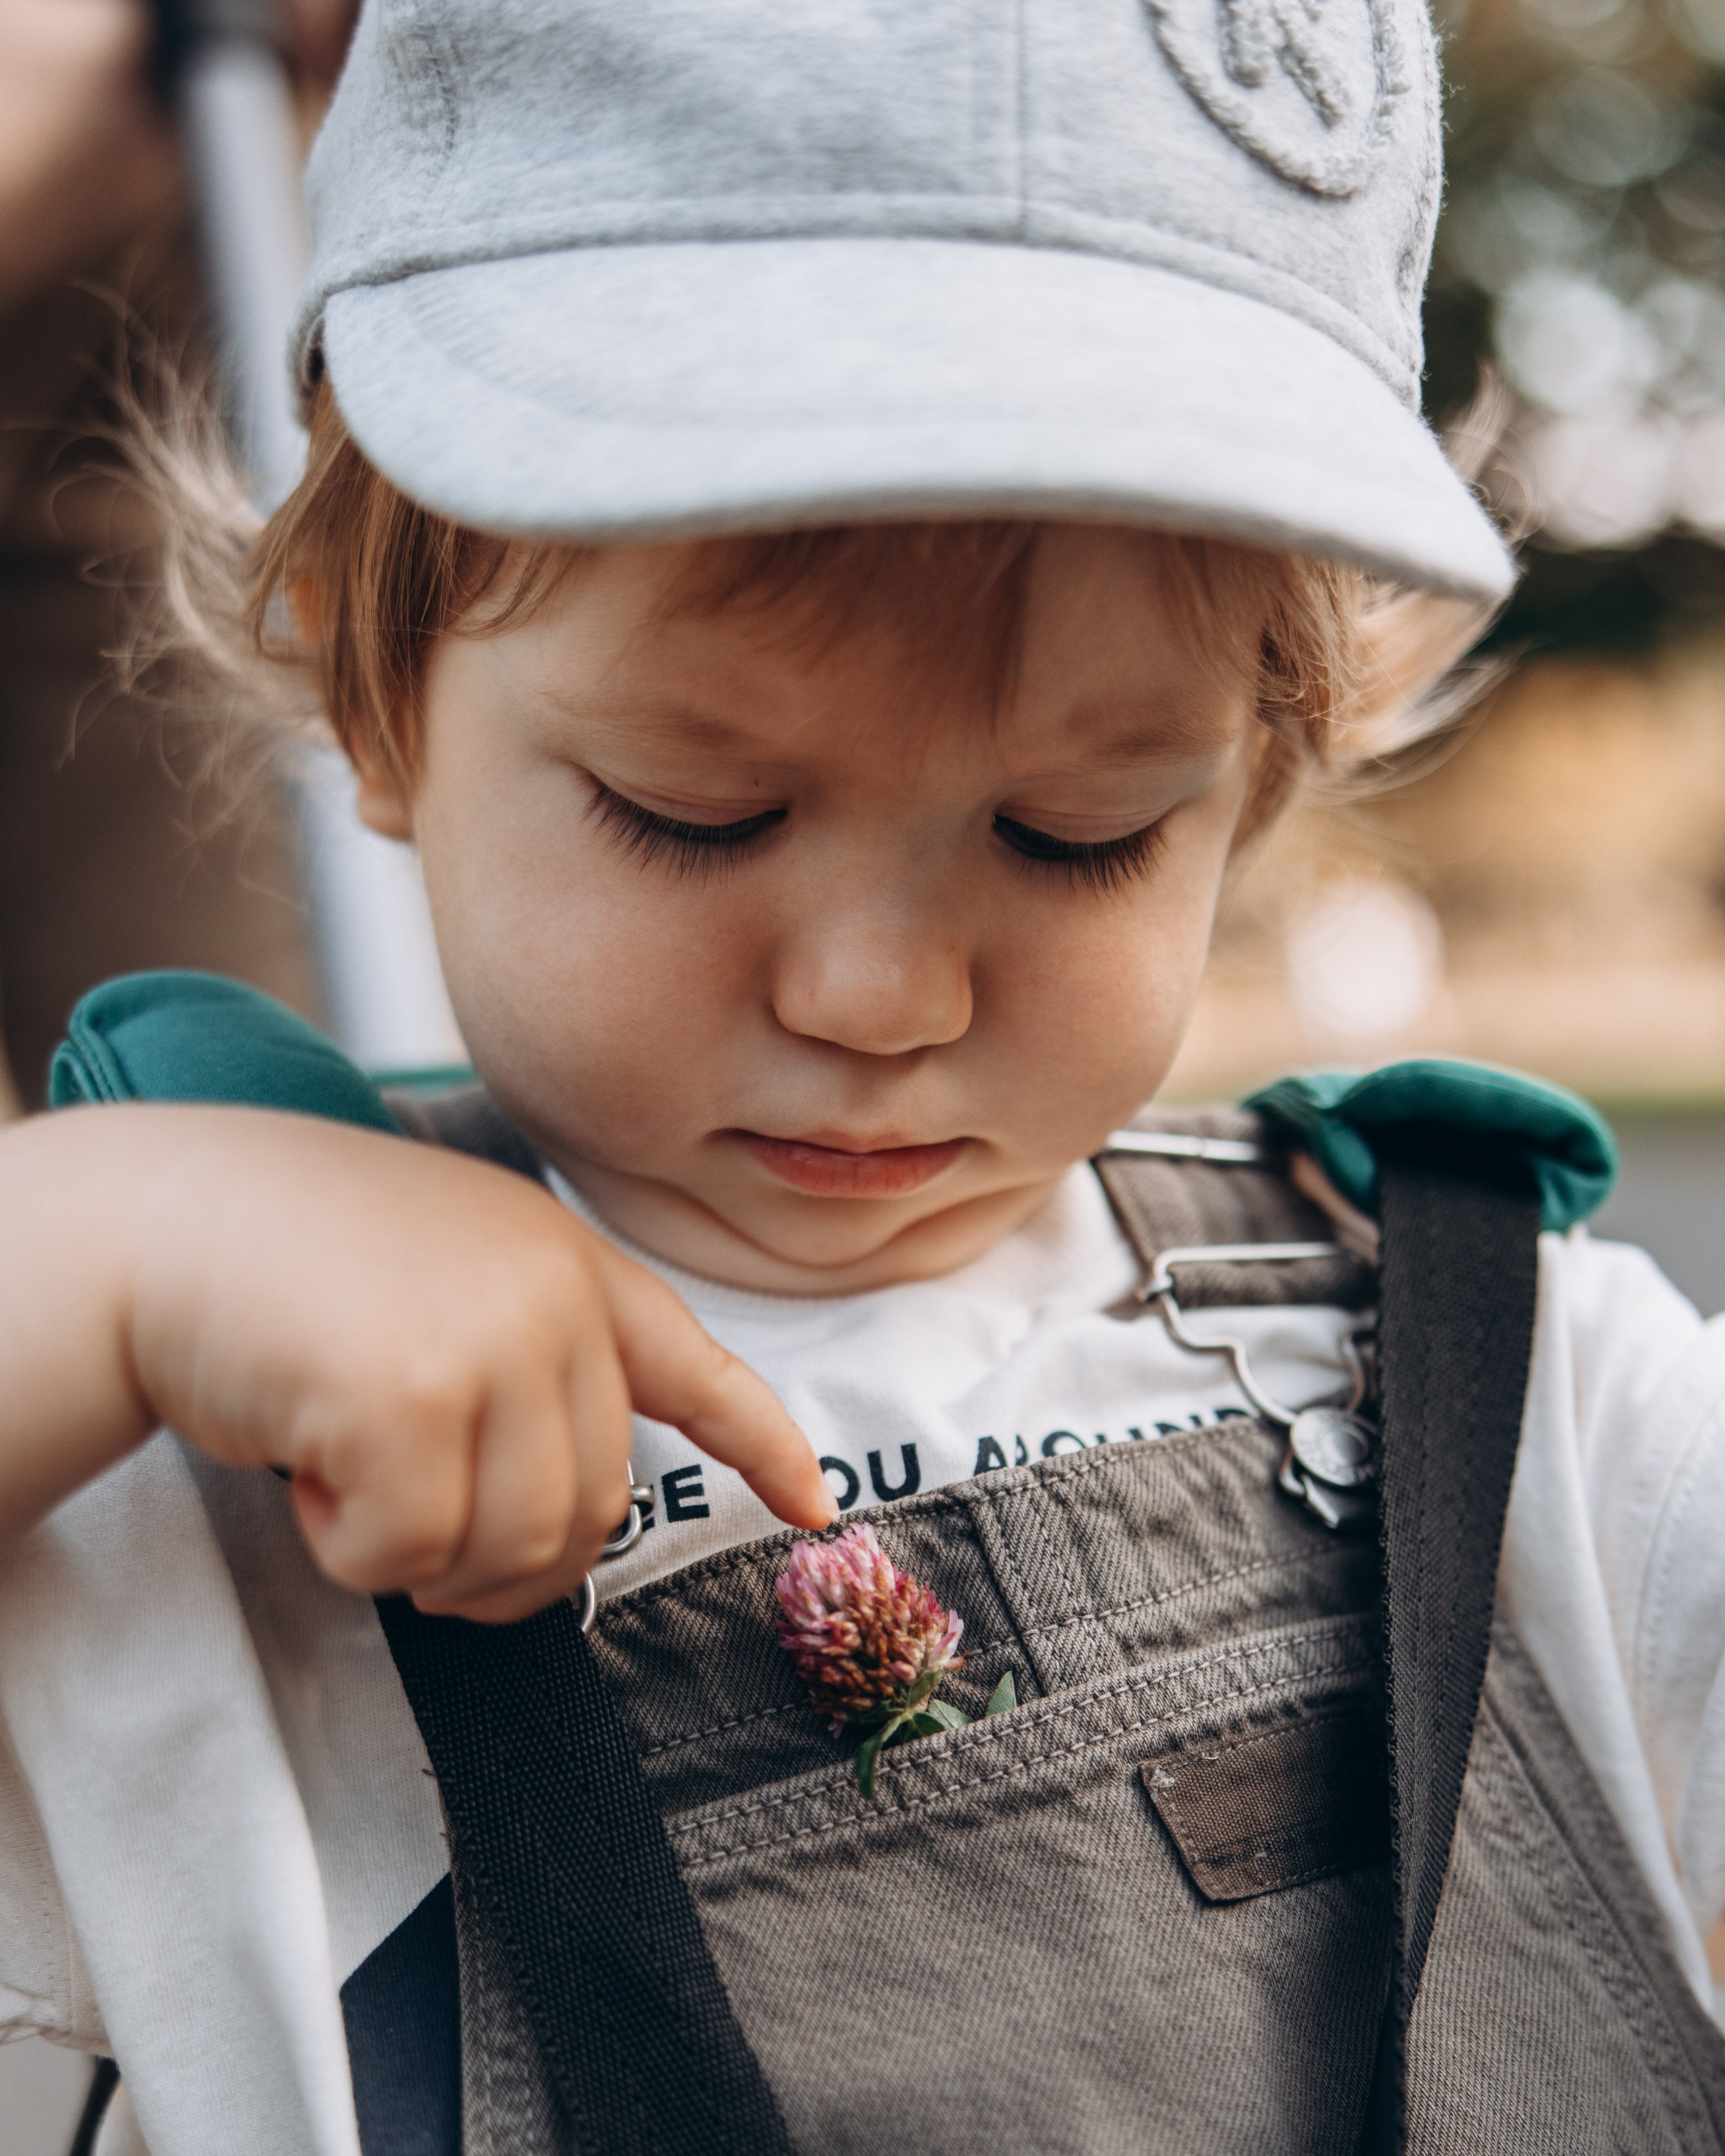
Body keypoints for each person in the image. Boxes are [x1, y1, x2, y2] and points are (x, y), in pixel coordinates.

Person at [1, 4, 1722, 2154]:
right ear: (374, 686)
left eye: (1080, 832)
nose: (884, 993)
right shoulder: (204, 1469)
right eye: (694, 809)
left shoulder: (1528, 1391)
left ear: (1261, 771)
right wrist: (100, 1253)